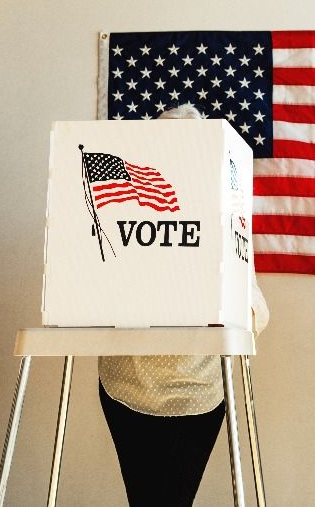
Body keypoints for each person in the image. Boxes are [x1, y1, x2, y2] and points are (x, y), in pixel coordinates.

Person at [97, 103, 269, 507]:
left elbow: (255, 304)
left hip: (200, 387)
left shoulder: (226, 214)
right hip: (125, 381)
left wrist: (232, 315)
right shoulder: (116, 210)